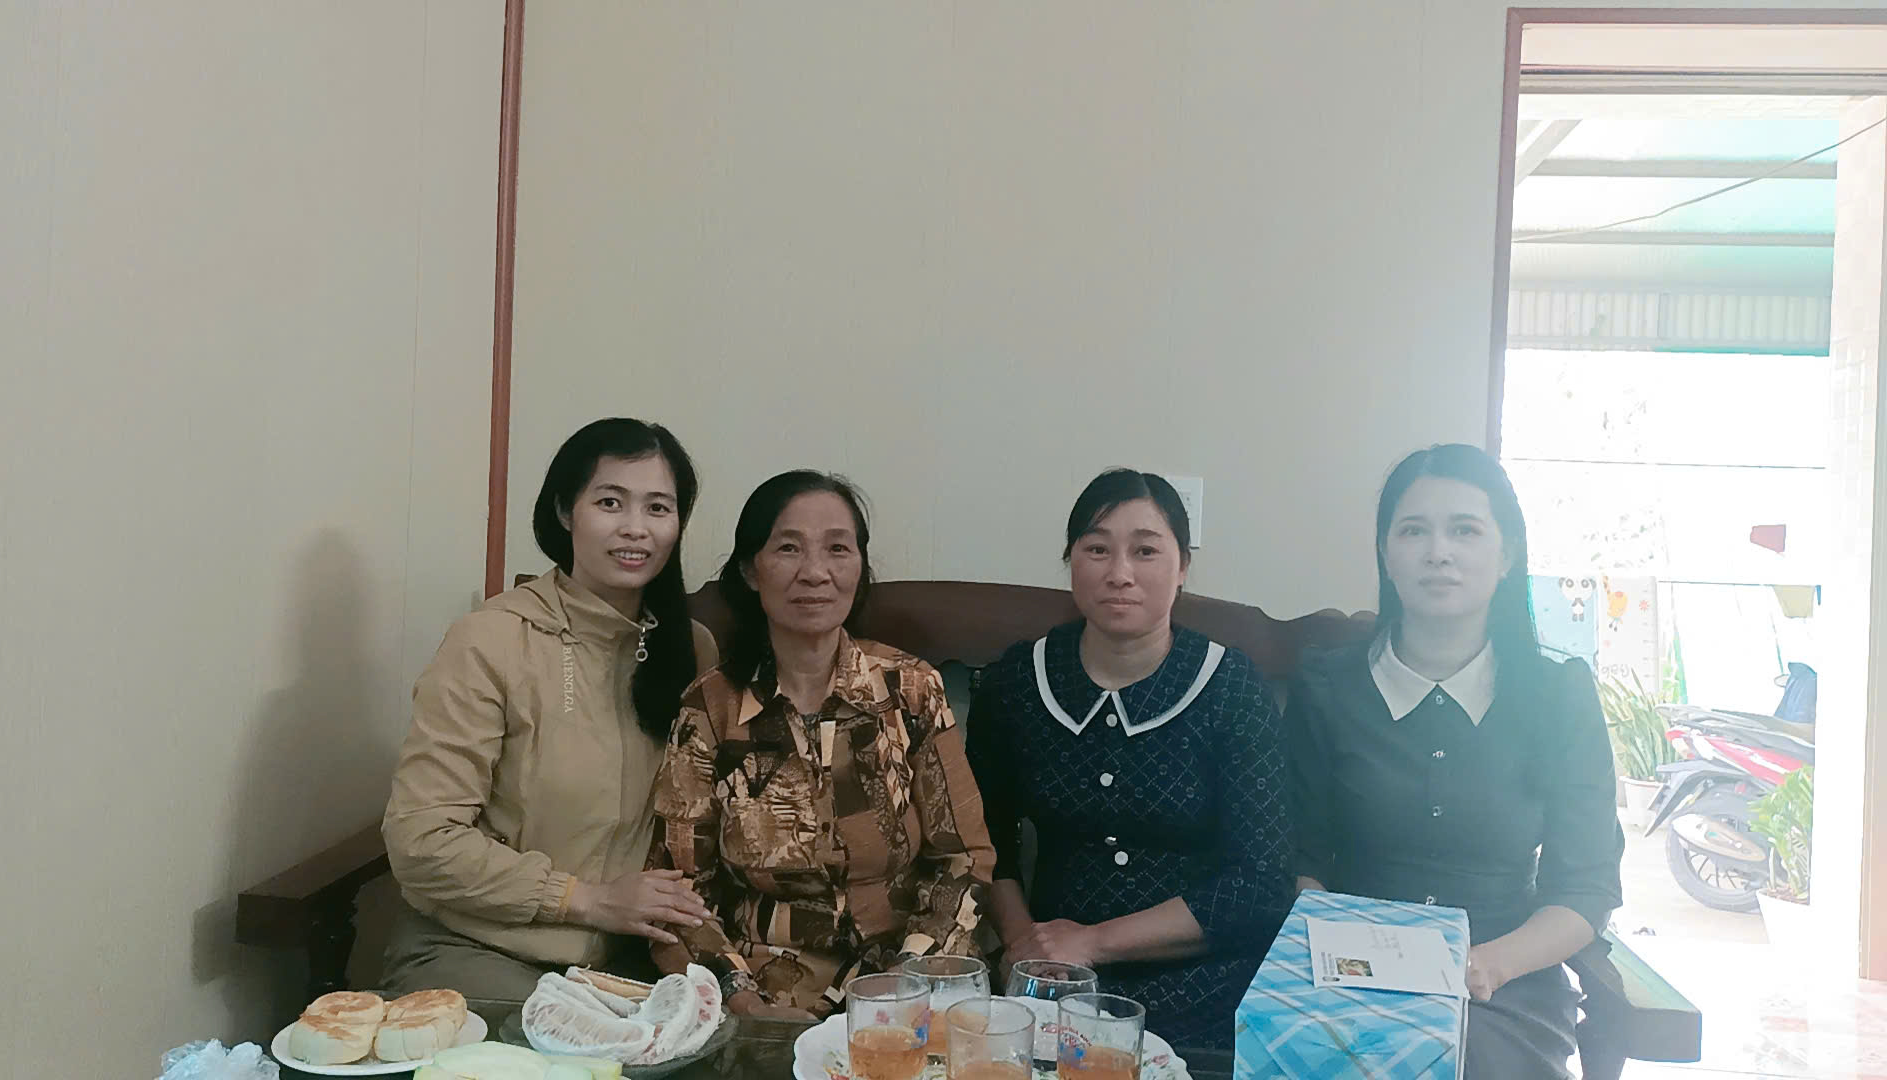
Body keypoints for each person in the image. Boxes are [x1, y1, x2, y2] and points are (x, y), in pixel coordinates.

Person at [1284, 444, 1624, 1078]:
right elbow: (1302, 859)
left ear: (1507, 554)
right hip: (1348, 976)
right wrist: (1348, 956)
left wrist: (1483, 966)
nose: (1438, 552)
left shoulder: (1559, 694)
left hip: (1504, 986)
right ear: (1386, 554)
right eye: (1413, 531)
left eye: (1465, 530)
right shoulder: (1326, 687)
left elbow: (1585, 888)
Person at [381, 419, 719, 1000]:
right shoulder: (491, 640)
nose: (635, 528)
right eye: (610, 502)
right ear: (565, 511)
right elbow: (422, 839)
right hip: (480, 947)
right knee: (550, 1048)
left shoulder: (692, 650)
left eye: (658, 508)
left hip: (631, 961)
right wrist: (586, 900)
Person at [964, 469, 1294, 1049]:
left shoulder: (1230, 686)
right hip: (1055, 983)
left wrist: (1094, 942)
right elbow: (984, 840)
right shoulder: (1018, 680)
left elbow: (1262, 881)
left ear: (1182, 565)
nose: (1119, 573)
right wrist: (1025, 949)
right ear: (1070, 560)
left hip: (1206, 983)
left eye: (1145, 551)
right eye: (1097, 549)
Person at [647, 470, 995, 1019]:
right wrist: (740, 999)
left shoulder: (910, 689)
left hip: (906, 987)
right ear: (751, 570)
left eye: (837, 548)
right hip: (760, 993)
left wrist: (907, 982)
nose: (815, 572)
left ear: (860, 566)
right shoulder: (710, 708)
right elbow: (680, 887)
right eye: (789, 548)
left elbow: (963, 859)